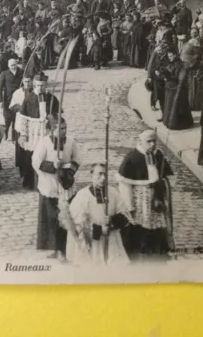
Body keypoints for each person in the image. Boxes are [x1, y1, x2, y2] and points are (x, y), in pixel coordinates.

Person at [116, 130, 174, 262]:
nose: (152, 144)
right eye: (149, 141)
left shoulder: (158, 155)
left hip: (157, 199)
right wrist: (129, 204)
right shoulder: (132, 157)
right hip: (140, 199)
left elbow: (164, 176)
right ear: (140, 140)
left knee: (158, 225)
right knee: (140, 226)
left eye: (154, 141)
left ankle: (157, 251)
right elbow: (125, 184)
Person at [32, 115, 81, 261]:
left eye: (65, 128)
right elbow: (36, 162)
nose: (64, 131)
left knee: (67, 217)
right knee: (51, 218)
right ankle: (54, 248)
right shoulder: (44, 142)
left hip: (65, 184)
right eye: (60, 129)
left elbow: (77, 159)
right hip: (50, 185)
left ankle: (67, 247)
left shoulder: (71, 142)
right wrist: (53, 166)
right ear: (52, 129)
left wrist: (69, 172)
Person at [66, 163, 131, 266]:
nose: (103, 178)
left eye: (105, 174)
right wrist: (100, 230)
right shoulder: (82, 196)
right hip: (92, 243)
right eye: (99, 174)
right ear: (91, 175)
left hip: (112, 243)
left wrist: (112, 221)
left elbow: (125, 216)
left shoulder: (113, 193)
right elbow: (77, 224)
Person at [15, 72, 60, 190]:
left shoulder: (52, 98)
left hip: (46, 131)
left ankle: (46, 180)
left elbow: (58, 115)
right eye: (38, 85)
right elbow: (23, 119)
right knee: (30, 156)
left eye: (43, 85)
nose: (41, 88)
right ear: (34, 85)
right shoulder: (29, 98)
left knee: (46, 155)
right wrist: (24, 134)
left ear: (46, 86)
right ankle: (29, 181)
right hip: (32, 132)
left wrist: (53, 118)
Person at [158, 47, 194, 130]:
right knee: (169, 105)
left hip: (176, 89)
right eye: (168, 56)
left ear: (175, 55)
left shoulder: (179, 64)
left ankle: (177, 124)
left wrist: (166, 75)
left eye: (170, 56)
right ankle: (169, 122)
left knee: (176, 107)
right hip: (170, 87)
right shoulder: (173, 63)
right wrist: (163, 73)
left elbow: (178, 78)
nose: (169, 58)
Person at [0, 58, 23, 140]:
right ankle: (5, 134)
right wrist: (0, 101)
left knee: (16, 118)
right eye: (12, 65)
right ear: (8, 66)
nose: (13, 67)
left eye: (15, 65)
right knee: (7, 119)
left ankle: (14, 136)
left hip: (18, 99)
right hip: (7, 99)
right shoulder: (4, 74)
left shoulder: (21, 72)